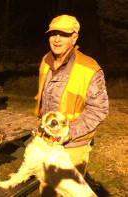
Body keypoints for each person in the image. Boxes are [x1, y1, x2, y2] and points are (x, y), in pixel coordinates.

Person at [34, 15, 109, 196]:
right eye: (53, 33)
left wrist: (69, 132)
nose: (57, 39)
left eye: (63, 34)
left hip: (74, 146)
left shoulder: (89, 68)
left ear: (74, 37)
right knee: (47, 191)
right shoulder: (45, 61)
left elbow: (99, 110)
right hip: (47, 142)